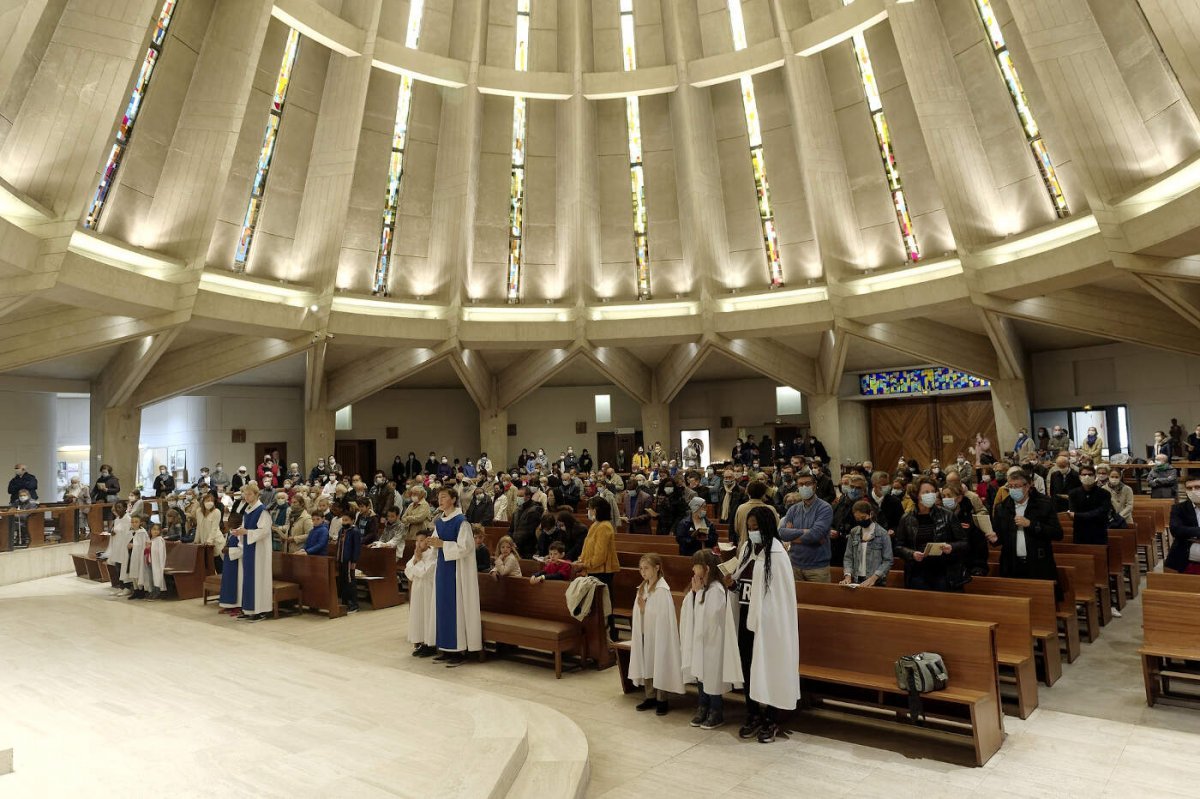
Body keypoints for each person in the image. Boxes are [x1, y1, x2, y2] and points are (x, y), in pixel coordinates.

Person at [729, 508, 800, 743]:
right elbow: (744, 580)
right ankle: (752, 714)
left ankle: (771, 718)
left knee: (769, 667)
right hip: (747, 615)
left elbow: (781, 598)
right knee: (748, 666)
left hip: (769, 623)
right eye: (749, 528)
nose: (752, 532)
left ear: (767, 527)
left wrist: (766, 618)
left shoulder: (777, 555)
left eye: (756, 528)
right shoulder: (748, 549)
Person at [680, 550, 742, 729]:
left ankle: (716, 710)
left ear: (706, 569)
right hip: (700, 641)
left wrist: (698, 592)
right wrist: (694, 592)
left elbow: (710, 618)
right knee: (700, 674)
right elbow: (690, 610)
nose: (692, 568)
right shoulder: (701, 587)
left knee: (712, 677)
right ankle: (702, 706)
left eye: (695, 565)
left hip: (713, 643)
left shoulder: (716, 590)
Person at [428, 486, 483, 667]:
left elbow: (466, 547)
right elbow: (435, 543)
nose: (440, 500)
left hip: (457, 572)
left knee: (456, 607)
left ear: (453, 499)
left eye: (444, 497)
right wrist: (431, 544)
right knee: (442, 607)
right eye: (439, 498)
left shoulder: (461, 522)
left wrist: (443, 544)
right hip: (443, 569)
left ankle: (458, 650)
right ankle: (445, 647)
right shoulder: (440, 521)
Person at [628, 553, 683, 716]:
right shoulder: (642, 588)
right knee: (647, 662)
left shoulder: (662, 590)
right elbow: (638, 612)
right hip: (645, 632)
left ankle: (662, 699)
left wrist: (645, 609)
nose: (643, 572)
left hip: (659, 635)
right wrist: (642, 610)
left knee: (659, 662)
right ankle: (650, 695)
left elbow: (663, 617)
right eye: (641, 569)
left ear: (657, 568)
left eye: (646, 568)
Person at [987, 470, 1062, 586]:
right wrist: (994, 539)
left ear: (1027, 486)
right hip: (1011, 563)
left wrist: (1031, 524)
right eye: (1010, 486)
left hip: (1037, 562)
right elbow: (1001, 537)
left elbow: (1057, 534)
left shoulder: (1044, 504)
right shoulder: (1002, 507)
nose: (1013, 490)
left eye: (1016, 486)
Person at [894, 478, 969, 592]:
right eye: (926, 492)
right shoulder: (906, 518)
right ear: (917, 495)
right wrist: (912, 554)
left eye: (933, 492)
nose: (931, 495)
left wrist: (951, 547)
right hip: (917, 572)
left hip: (943, 571)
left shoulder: (948, 515)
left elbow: (964, 542)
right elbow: (898, 547)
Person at [573, 496, 620, 639]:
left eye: (590, 508)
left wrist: (586, 564)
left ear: (597, 510)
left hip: (603, 571)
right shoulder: (595, 525)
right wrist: (581, 560)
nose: (588, 511)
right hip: (592, 569)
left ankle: (608, 635)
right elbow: (587, 547)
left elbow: (600, 555)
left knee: (604, 604)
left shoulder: (605, 526)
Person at [229, 482, 274, 621]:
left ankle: (259, 610)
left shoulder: (262, 510)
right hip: (249, 548)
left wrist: (246, 532)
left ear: (256, 494)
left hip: (259, 550)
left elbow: (264, 531)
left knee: (258, 579)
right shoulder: (248, 510)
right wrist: (239, 532)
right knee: (248, 579)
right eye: (245, 494)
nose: (246, 497)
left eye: (249, 494)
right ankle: (248, 609)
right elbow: (244, 526)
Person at [779, 471, 833, 582]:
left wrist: (793, 535)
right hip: (794, 565)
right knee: (796, 599)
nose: (804, 487)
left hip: (817, 568)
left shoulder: (824, 508)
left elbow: (815, 535)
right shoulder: (793, 509)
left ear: (814, 485)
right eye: (801, 484)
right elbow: (782, 533)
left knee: (819, 599)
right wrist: (806, 532)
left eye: (808, 483)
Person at [841, 501, 893, 587]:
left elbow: (888, 560)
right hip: (857, 579)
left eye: (863, 517)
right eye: (857, 519)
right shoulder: (854, 532)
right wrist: (848, 576)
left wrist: (874, 578)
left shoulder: (882, 533)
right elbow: (848, 557)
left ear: (871, 514)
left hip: (876, 581)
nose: (861, 521)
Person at [405, 531, 438, 656]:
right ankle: (421, 643)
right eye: (417, 540)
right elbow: (409, 572)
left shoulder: (432, 554)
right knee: (418, 615)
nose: (418, 543)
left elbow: (425, 572)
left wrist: (418, 561)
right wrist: (416, 561)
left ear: (428, 541)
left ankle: (430, 645)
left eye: (422, 540)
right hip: (417, 589)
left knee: (427, 615)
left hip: (428, 590)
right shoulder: (417, 554)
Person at [1068, 464, 1110, 545]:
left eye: (1090, 474)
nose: (1087, 476)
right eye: (1084, 474)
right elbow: (1073, 513)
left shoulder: (1104, 493)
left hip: (1099, 531)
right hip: (1080, 532)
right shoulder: (1073, 493)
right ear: (1079, 477)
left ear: (1095, 476)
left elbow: (1102, 512)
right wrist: (1079, 515)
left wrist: (1079, 515)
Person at [1166, 476, 1200, 574]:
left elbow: (1183, 531)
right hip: (1186, 561)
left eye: (1197, 487)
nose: (1193, 491)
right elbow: (1176, 530)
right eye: (1189, 488)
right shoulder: (1179, 508)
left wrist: (1190, 533)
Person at [101, 501, 131, 593]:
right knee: (118, 566)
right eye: (116, 507)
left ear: (125, 508)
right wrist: (112, 532)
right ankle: (121, 586)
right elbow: (114, 530)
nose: (117, 510)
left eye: (120, 507)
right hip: (117, 546)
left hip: (124, 547)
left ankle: (128, 587)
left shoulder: (128, 519)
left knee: (124, 567)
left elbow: (129, 534)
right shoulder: (117, 519)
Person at [121, 514, 149, 599]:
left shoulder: (142, 532)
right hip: (130, 555)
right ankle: (136, 590)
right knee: (132, 573)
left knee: (138, 573)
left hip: (138, 556)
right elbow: (126, 542)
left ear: (140, 523)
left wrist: (134, 546)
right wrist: (128, 545)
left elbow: (144, 545)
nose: (134, 523)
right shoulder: (130, 531)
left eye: (136, 522)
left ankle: (141, 591)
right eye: (132, 522)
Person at [145, 523, 167, 600]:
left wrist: (151, 546)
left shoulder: (160, 540)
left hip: (157, 562)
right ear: (150, 530)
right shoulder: (150, 540)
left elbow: (160, 552)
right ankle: (152, 591)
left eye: (157, 529)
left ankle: (157, 592)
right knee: (151, 577)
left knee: (157, 576)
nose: (155, 531)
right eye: (154, 529)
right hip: (150, 561)